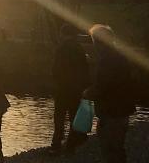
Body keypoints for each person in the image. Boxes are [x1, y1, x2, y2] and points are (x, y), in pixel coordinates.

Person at [85, 24, 135, 163]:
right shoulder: (120, 57)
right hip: (122, 110)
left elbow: (103, 86)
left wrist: (88, 93)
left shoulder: (106, 60)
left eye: (93, 40)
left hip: (111, 112)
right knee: (118, 148)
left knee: (109, 149)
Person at [50, 24, 91, 154]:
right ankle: (72, 145)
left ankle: (56, 145)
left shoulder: (61, 49)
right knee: (74, 117)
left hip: (63, 89)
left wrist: (57, 82)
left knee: (59, 118)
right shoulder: (79, 49)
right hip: (76, 89)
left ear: (63, 34)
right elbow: (85, 70)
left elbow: (56, 70)